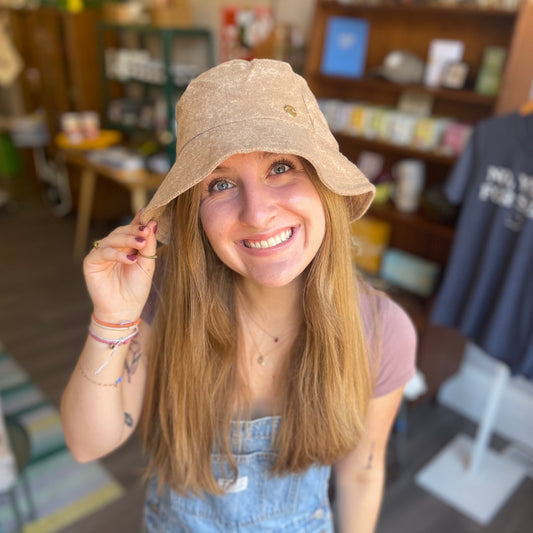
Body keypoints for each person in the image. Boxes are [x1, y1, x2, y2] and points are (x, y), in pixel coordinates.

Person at [60, 59, 416, 533]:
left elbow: (363, 472)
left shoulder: (382, 328)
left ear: (325, 185)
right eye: (221, 183)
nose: (257, 212)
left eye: (281, 167)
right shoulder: (164, 295)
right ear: (195, 215)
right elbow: (88, 443)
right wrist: (111, 318)